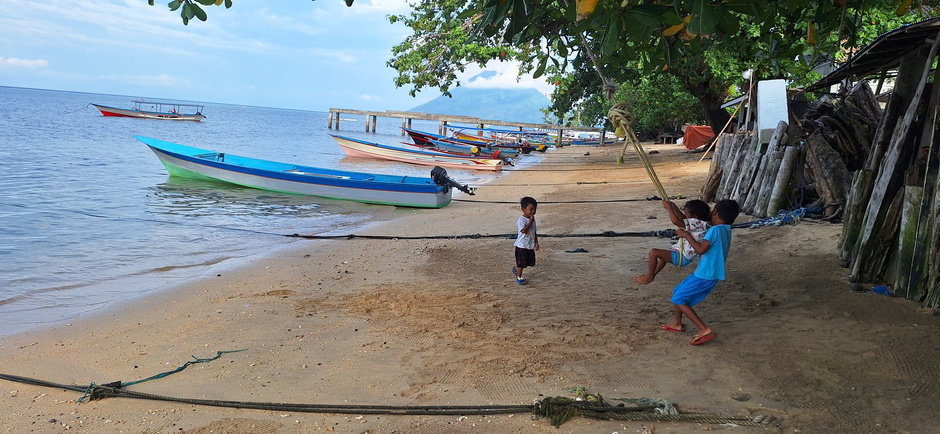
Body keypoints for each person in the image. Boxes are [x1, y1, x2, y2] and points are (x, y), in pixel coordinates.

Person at [660, 199, 740, 346]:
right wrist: (673, 207)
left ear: (715, 212)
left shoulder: (714, 230)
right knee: (678, 292)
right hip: (707, 273)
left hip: (706, 275)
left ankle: (704, 329)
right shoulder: (725, 229)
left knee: (678, 298)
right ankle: (677, 323)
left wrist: (686, 236)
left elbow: (701, 249)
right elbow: (687, 220)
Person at [634, 199, 711, 285]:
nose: (686, 218)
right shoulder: (702, 224)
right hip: (684, 256)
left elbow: (676, 221)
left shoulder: (696, 223)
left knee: (653, 253)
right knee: (663, 257)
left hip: (682, 256)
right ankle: (653, 275)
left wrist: (669, 208)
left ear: (695, 216)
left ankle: (649, 275)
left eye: (688, 215)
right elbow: (683, 218)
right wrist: (674, 207)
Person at [512, 196, 539, 285]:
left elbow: (534, 231)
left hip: (529, 244)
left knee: (528, 262)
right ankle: (518, 277)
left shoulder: (532, 220)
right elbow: (523, 230)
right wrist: (530, 222)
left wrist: (536, 243)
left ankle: (516, 269)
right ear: (523, 209)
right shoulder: (522, 220)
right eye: (530, 209)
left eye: (534, 209)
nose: (533, 212)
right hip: (521, 245)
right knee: (521, 263)